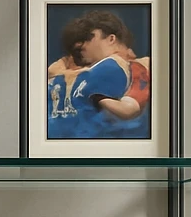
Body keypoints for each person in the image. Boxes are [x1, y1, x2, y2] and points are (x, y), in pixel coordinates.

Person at [47, 11, 149, 139]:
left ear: (111, 39)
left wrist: (100, 98)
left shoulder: (137, 68)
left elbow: (129, 109)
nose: (82, 45)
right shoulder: (61, 69)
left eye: (89, 37)